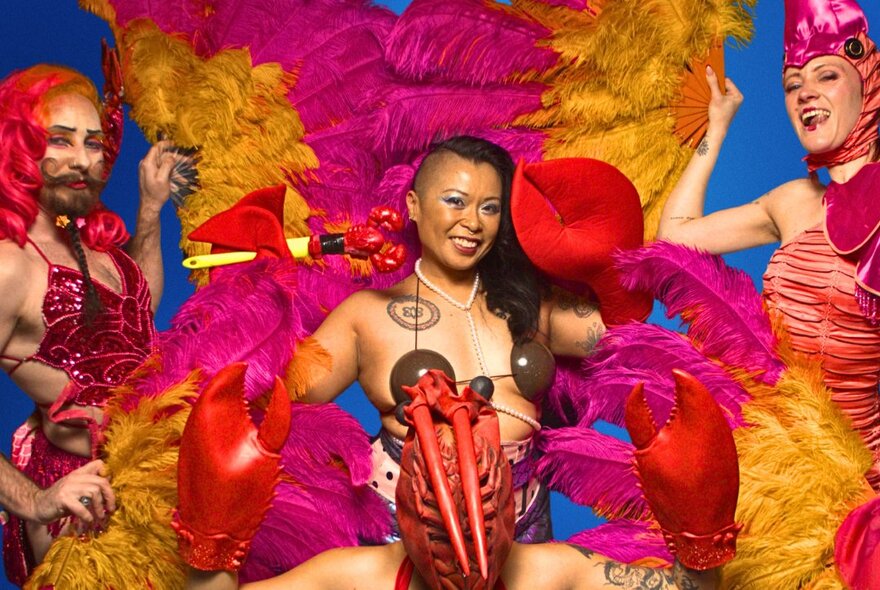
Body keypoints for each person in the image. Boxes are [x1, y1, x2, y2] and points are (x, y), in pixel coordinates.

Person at [303, 136, 641, 542]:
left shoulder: (532, 304)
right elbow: (273, 405)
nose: (474, 223)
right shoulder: (366, 314)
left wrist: (605, 258)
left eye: (490, 208)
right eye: (455, 201)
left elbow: (627, 333)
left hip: (523, 527)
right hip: (401, 533)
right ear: (413, 205)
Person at [174, 363, 736, 590]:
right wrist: (214, 536)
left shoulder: (554, 572)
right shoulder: (355, 577)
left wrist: (698, 534)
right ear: (402, 502)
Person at [656, 0, 880, 488]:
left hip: (861, 483)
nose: (805, 94)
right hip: (775, 465)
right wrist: (716, 128)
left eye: (826, 76)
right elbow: (674, 238)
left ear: (868, 80)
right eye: (793, 85)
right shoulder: (792, 201)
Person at [0, 64, 183, 584]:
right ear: (20, 147)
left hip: (156, 485)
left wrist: (150, 209)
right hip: (84, 509)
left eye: (94, 144)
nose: (81, 160)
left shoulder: (95, 247)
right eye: (59, 141)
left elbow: (138, 318)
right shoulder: (11, 266)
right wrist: (34, 500)